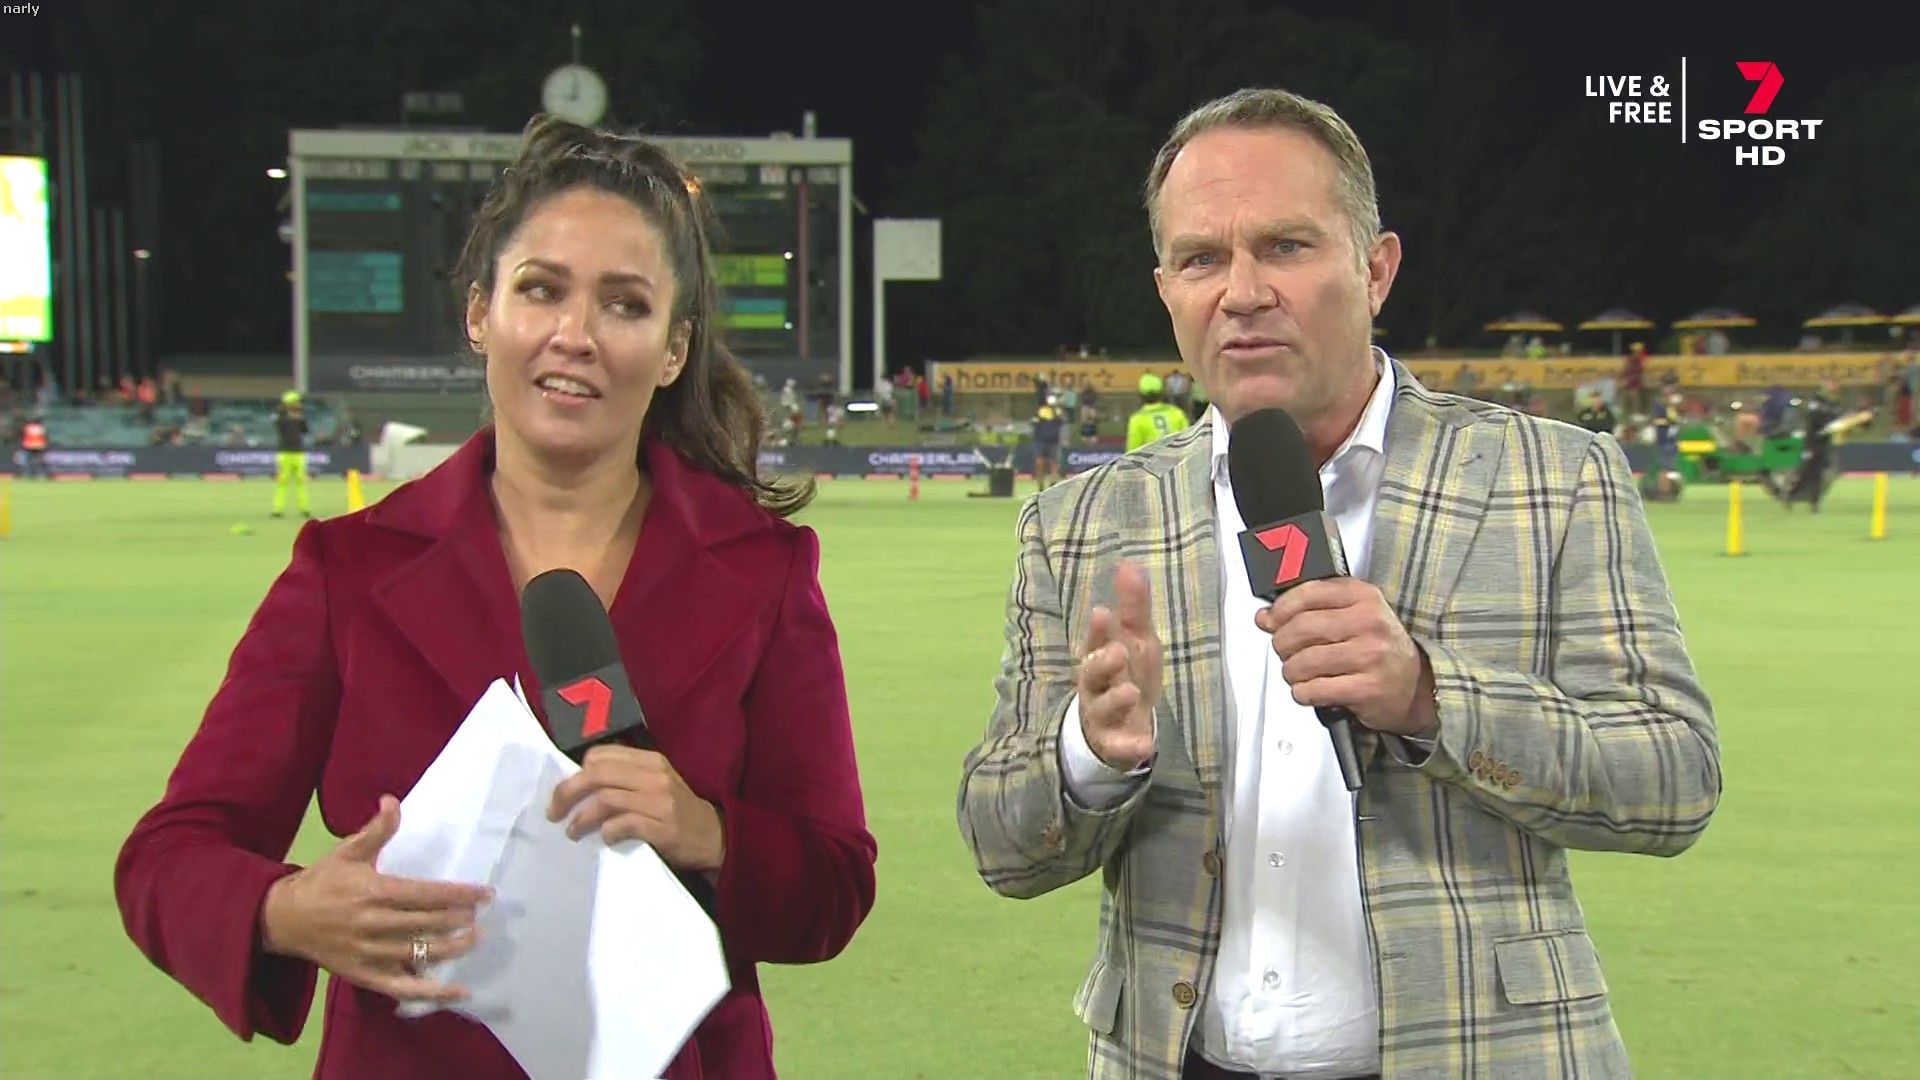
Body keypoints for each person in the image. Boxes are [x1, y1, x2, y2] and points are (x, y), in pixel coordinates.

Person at [957, 88, 1719, 1080]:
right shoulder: (1082, 525)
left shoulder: (1552, 478)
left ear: (1376, 268)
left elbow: (1674, 780)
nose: (1241, 292)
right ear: (1167, 291)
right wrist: (1089, 753)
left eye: (1285, 246)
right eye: (1201, 259)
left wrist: (1430, 696)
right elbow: (1003, 846)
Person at [116, 115, 877, 1080]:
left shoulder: (765, 571)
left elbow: (835, 885)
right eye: (542, 289)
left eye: (625, 304)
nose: (575, 336)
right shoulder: (347, 570)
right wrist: (285, 912)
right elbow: (167, 858)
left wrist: (711, 834)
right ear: (481, 312)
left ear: (674, 349)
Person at [271, 390, 312, 518]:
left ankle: (304, 508)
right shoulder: (281, 417)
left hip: (297, 453)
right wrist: (288, 413)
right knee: (282, 482)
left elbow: (306, 430)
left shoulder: (299, 417)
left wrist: (300, 418)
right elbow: (278, 424)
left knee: (301, 481)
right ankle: (278, 509)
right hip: (286, 453)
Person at [1127, 372, 1191, 451]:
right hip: (1177, 457)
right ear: (1162, 393)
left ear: (1140, 395)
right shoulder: (1177, 413)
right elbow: (1189, 442)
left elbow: (1133, 452)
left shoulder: (1137, 420)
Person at [1031, 396, 1066, 491]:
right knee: (1040, 463)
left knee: (1053, 463)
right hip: (1041, 441)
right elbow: (1034, 423)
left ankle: (1053, 484)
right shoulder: (1041, 411)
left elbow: (1061, 421)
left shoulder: (1058, 412)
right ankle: (1040, 485)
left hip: (1053, 441)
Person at [18, 413, 47, 479]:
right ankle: (40, 475)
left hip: (29, 446)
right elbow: (44, 436)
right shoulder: (40, 427)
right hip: (38, 446)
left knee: (28, 461)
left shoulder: (27, 427)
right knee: (38, 461)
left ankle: (27, 475)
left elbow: (23, 435)